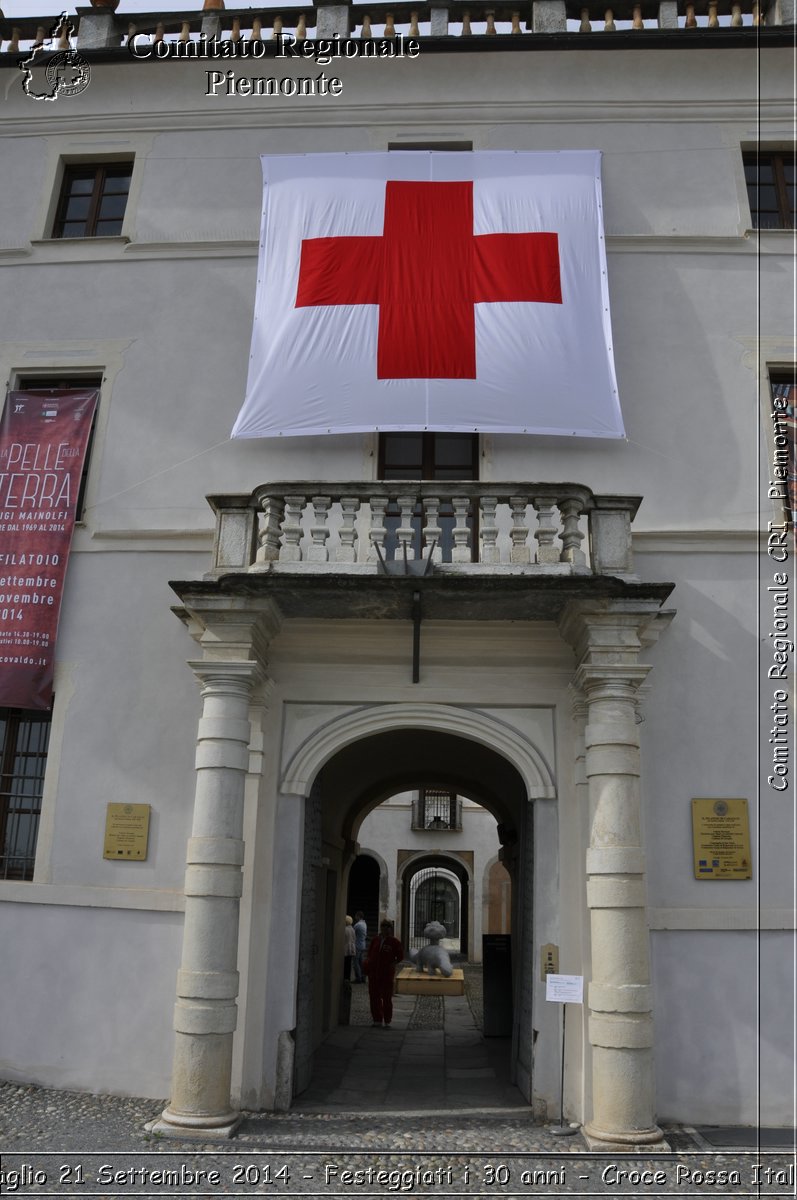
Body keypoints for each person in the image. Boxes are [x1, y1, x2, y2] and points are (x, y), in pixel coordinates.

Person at [363, 919, 404, 1027]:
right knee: (374, 997)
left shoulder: (394, 942)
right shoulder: (375, 940)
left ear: (390, 928)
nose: (385, 928)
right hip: (374, 973)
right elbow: (370, 953)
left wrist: (393, 964)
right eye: (383, 926)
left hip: (386, 974)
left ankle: (387, 1020)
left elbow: (400, 956)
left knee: (386, 998)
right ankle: (377, 1019)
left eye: (387, 926)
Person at [352, 910, 367, 983]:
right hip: (363, 945)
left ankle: (358, 978)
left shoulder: (357, 925)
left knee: (356, 962)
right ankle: (363, 977)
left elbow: (353, 934)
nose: (355, 917)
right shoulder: (364, 924)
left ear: (358, 916)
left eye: (356, 916)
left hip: (357, 945)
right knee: (361, 962)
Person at [343, 914, 356, 981]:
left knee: (345, 964)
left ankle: (345, 977)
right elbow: (354, 939)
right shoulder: (352, 929)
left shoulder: (345, 929)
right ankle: (348, 977)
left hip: (346, 948)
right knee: (349, 963)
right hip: (351, 948)